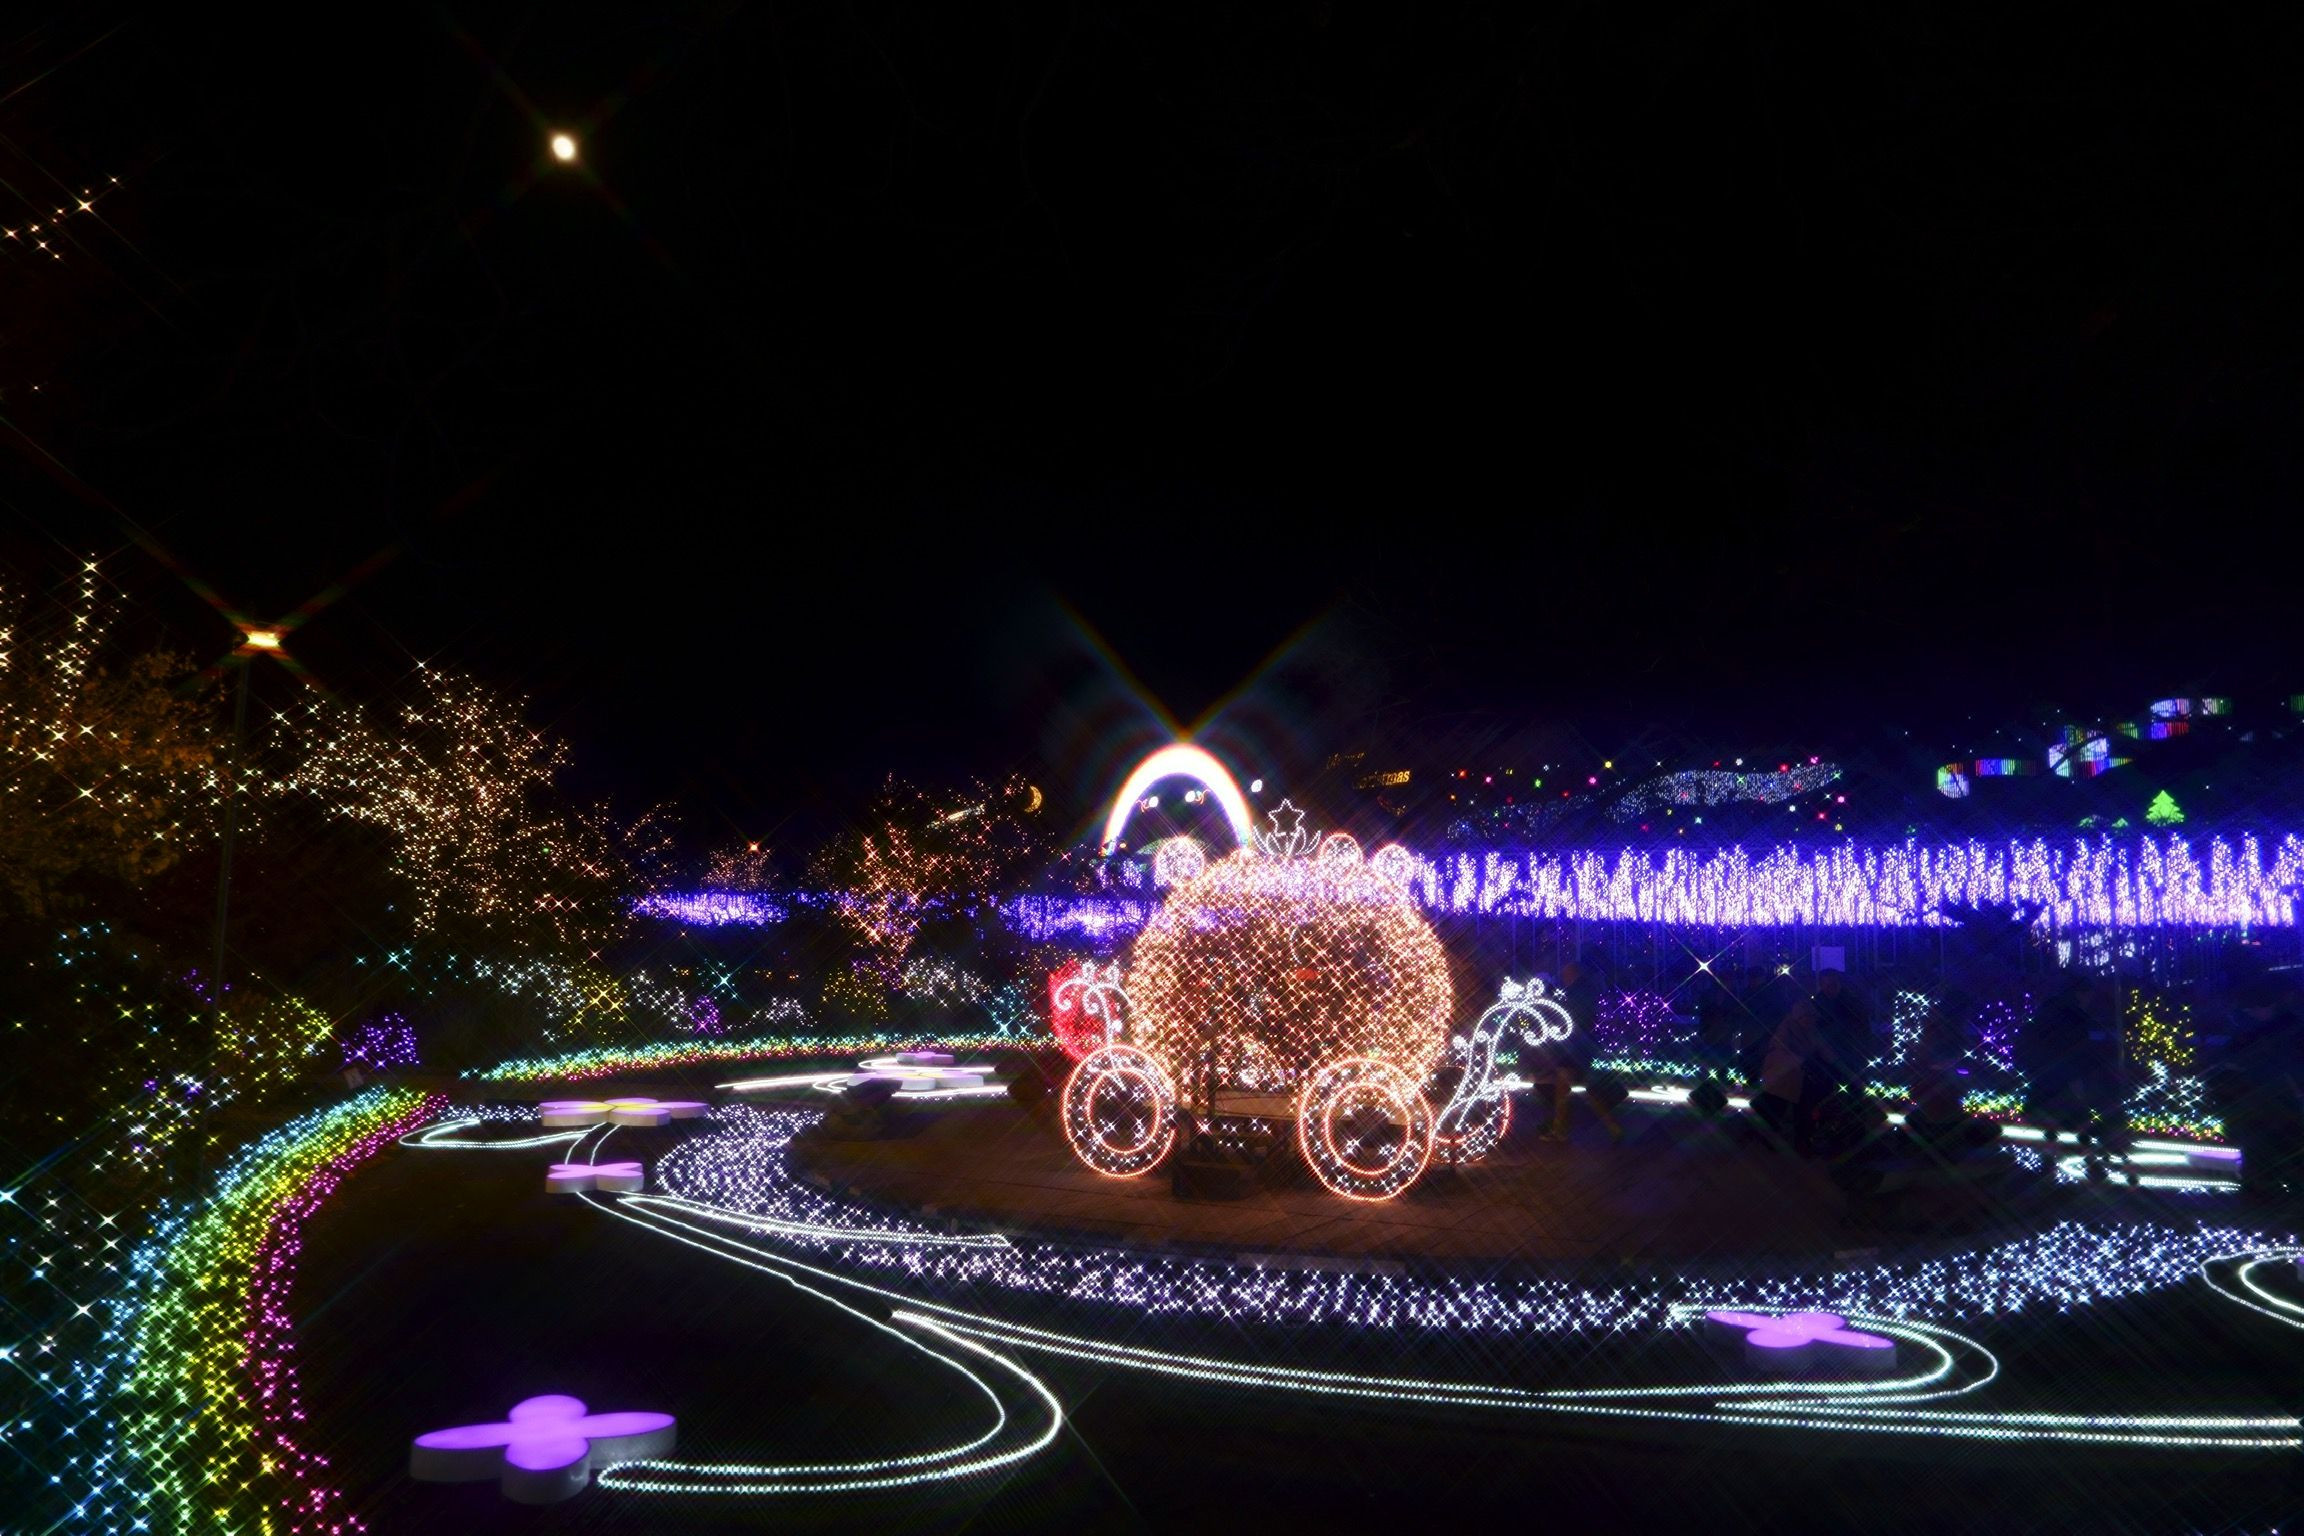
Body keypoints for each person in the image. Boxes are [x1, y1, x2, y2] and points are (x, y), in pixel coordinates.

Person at [2204, 976, 2304, 1202]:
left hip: (2257, 1100)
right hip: (2269, 1099)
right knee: (2276, 1144)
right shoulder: (2272, 1030)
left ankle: (2261, 1190)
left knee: (2262, 1146)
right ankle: (2271, 1189)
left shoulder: (2245, 1030)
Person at [2018, 971, 2124, 1166]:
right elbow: (2077, 1047)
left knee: (2054, 1112)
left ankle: (2054, 1152)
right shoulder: (2075, 1016)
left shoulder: (2049, 1009)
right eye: (2088, 995)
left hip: (2045, 1071)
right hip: (2062, 1072)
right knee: (2073, 1112)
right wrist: (2079, 1074)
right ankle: (2090, 1152)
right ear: (2081, 993)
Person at [1544, 953, 1623, 1144]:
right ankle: (1611, 1127)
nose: (1562, 974)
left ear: (1573, 973)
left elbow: (1574, 1019)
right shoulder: (1580, 991)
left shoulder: (1575, 993)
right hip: (1578, 1049)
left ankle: (1561, 1131)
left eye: (1565, 971)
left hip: (1574, 1049)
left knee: (1567, 1090)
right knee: (1575, 1090)